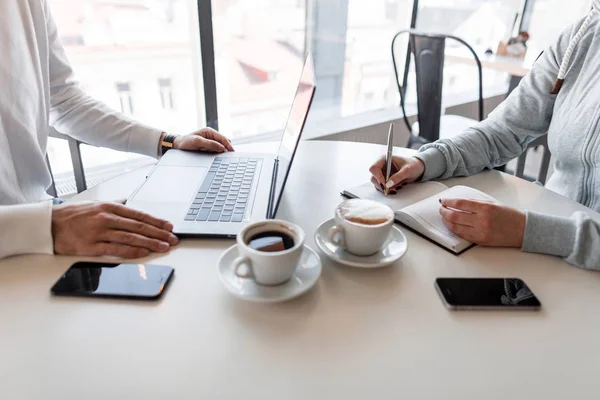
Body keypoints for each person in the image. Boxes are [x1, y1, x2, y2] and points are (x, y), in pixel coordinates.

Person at [370, 2, 600, 270]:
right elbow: (502, 130)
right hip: (551, 257)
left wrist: (528, 230)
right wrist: (425, 162)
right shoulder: (580, 37)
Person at [0, 0, 234, 260]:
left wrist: (168, 143)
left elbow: (64, 102)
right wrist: (48, 226)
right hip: (26, 230)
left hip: (43, 212)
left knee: (188, 254)